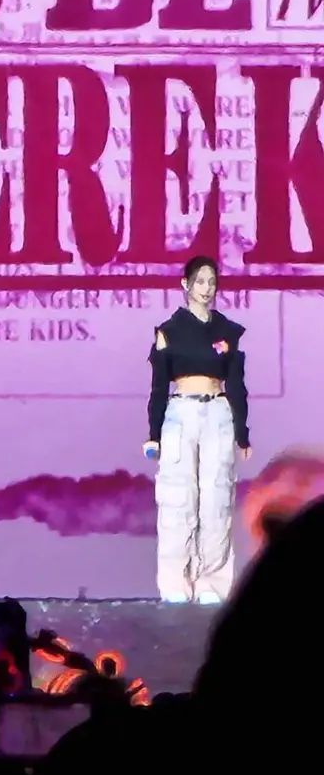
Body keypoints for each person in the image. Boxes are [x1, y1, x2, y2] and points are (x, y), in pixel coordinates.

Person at [144, 255, 250, 604]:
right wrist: (153, 434)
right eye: (200, 282)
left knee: (217, 498)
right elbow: (158, 387)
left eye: (212, 282)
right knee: (178, 499)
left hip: (217, 411)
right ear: (185, 285)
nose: (206, 289)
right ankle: (175, 584)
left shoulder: (227, 331)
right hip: (181, 412)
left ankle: (212, 584)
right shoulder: (169, 331)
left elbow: (237, 385)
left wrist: (242, 432)